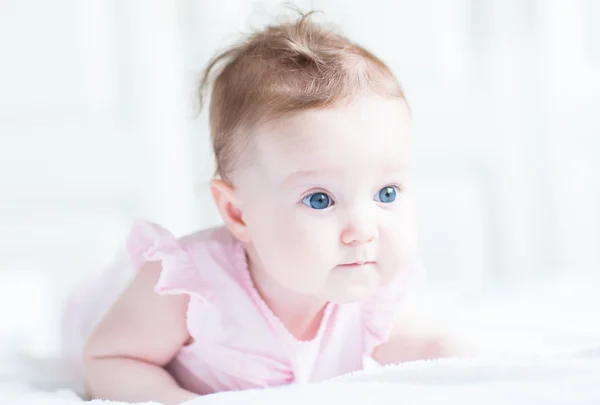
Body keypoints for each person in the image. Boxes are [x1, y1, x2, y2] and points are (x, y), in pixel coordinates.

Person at [64, 11, 470, 405]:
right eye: (319, 199)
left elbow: (421, 344)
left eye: (386, 193)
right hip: (112, 310)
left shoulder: (364, 289)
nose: (364, 229)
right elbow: (108, 358)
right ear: (239, 213)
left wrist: (455, 356)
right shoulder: (187, 288)